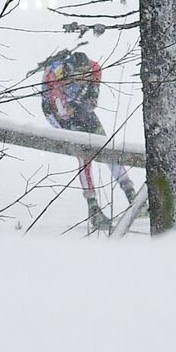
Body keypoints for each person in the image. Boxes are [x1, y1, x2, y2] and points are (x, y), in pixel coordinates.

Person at [40, 49, 138, 231]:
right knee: (85, 155)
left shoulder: (94, 68)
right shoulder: (56, 75)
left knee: (106, 147)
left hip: (79, 105)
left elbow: (93, 99)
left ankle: (131, 194)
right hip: (55, 110)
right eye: (78, 76)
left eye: (85, 76)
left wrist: (89, 96)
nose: (82, 79)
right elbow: (62, 112)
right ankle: (93, 207)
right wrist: (74, 109)